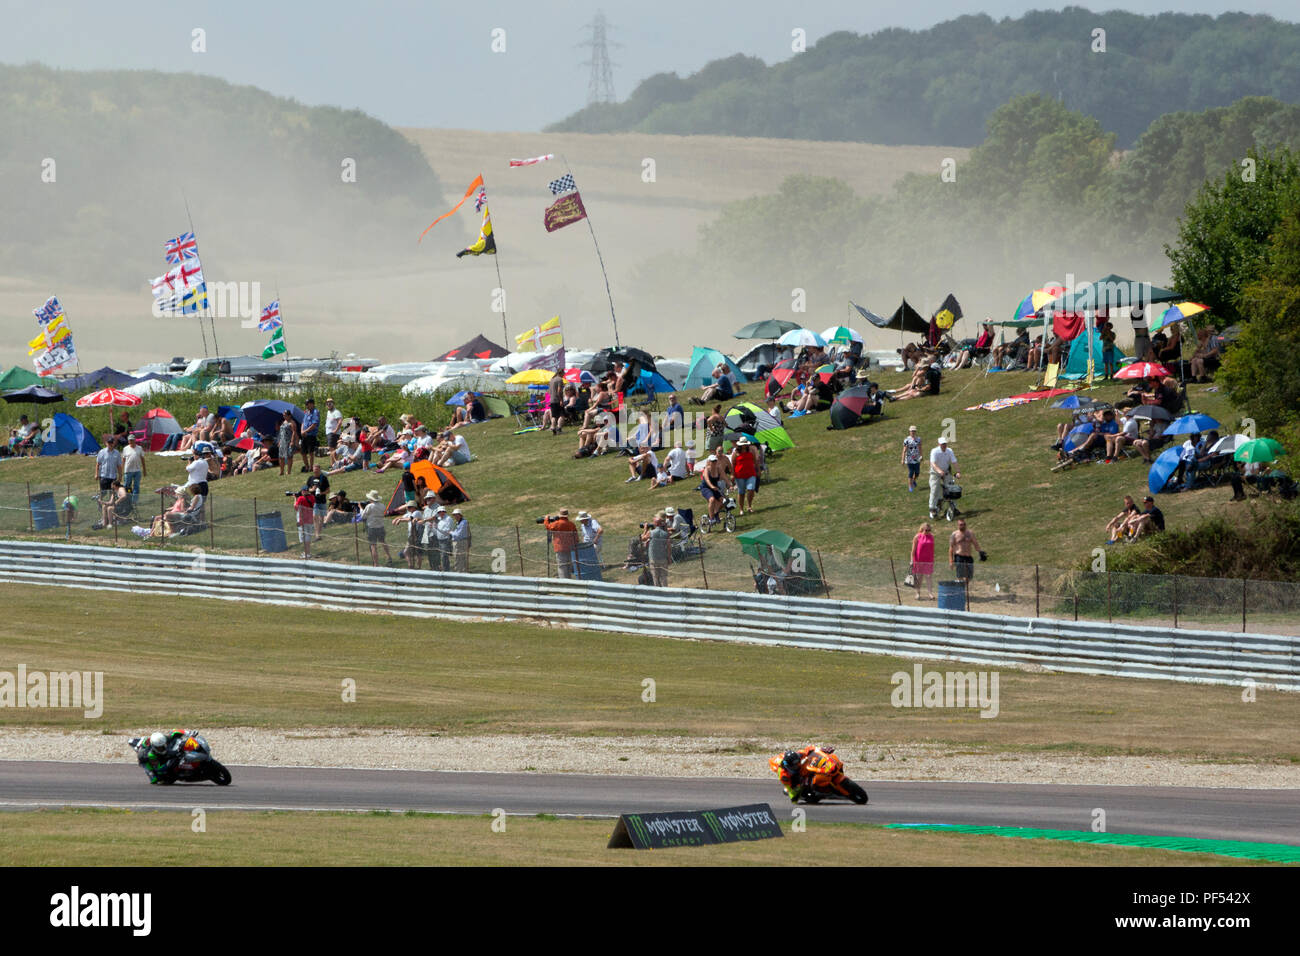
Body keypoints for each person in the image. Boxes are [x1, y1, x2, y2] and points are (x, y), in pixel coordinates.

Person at [93, 436, 122, 529]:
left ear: (114, 443)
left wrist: (120, 476)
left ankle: (111, 516)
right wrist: (96, 474)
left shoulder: (117, 453)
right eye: (108, 443)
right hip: (104, 477)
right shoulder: (102, 452)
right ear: (106, 443)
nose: (110, 444)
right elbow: (98, 464)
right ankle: (102, 515)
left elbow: (119, 466)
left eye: (111, 443)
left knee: (112, 497)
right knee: (102, 496)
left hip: (113, 477)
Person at [928, 435, 959, 522]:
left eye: (945, 444)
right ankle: (932, 509)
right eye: (942, 444)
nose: (944, 446)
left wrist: (958, 472)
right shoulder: (934, 451)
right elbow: (933, 464)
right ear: (939, 444)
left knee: (951, 489)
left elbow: (954, 461)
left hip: (946, 471)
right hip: (935, 473)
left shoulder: (949, 451)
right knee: (934, 489)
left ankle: (954, 508)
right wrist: (939, 471)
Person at [543, 509, 579, 579]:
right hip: (570, 548)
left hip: (560, 548)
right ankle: (569, 580)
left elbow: (548, 527)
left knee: (562, 566)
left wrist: (546, 519)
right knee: (568, 565)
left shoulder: (556, 524)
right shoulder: (571, 524)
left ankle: (563, 582)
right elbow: (576, 536)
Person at [360, 490, 392, 565]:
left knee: (373, 545)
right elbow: (386, 513)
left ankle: (376, 563)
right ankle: (389, 557)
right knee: (383, 542)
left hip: (372, 527)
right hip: (380, 526)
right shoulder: (382, 505)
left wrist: (361, 509)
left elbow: (363, 516)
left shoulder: (369, 506)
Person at [730, 436, 759, 515]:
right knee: (741, 492)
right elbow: (733, 464)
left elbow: (754, 461)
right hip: (740, 475)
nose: (744, 445)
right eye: (743, 444)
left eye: (745, 444)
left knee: (751, 489)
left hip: (750, 473)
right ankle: (741, 508)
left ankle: (749, 506)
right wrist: (732, 474)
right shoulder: (736, 452)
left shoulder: (750, 451)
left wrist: (757, 470)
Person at [949, 518, 982, 586]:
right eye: (961, 525)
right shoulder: (954, 534)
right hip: (959, 556)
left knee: (969, 576)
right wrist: (951, 561)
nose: (963, 526)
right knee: (960, 575)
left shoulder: (970, 533)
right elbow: (951, 548)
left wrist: (980, 552)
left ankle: (964, 588)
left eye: (964, 524)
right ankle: (960, 592)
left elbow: (975, 543)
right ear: (958, 525)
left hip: (968, 557)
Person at [642, 515, 671, 587]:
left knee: (655, 577)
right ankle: (666, 591)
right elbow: (668, 547)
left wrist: (645, 529)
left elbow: (642, 539)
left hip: (653, 558)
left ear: (655, 523)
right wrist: (669, 558)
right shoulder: (665, 534)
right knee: (664, 577)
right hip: (663, 558)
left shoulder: (651, 533)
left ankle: (658, 592)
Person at [698, 454, 727, 524]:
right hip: (706, 488)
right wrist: (711, 486)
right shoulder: (706, 469)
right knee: (712, 499)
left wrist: (730, 485)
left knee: (724, 502)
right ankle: (711, 518)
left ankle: (715, 513)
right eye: (712, 461)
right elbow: (707, 480)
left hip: (715, 488)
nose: (714, 462)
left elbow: (724, 477)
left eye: (715, 461)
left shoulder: (718, 468)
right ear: (709, 462)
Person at [910, 522, 936, 600]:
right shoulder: (917, 536)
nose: (928, 531)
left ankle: (930, 593)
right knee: (919, 577)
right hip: (918, 560)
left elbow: (932, 549)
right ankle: (917, 593)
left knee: (928, 577)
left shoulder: (931, 537)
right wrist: (911, 560)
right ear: (922, 529)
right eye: (926, 530)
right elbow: (913, 550)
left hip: (928, 560)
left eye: (929, 530)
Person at [120, 433, 146, 507]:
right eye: (129, 440)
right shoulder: (125, 449)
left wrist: (144, 470)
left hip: (137, 470)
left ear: (135, 440)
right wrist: (121, 470)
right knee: (127, 486)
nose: (131, 442)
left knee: (136, 486)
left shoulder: (139, 448)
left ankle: (134, 501)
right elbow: (123, 460)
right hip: (128, 470)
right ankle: (126, 499)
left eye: (132, 440)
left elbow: (142, 459)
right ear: (128, 441)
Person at [294, 485, 316, 559]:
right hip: (310, 519)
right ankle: (308, 552)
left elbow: (296, 508)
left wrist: (295, 499)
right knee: (308, 536)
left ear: (303, 491)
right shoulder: (312, 497)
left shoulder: (300, 498)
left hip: (302, 519)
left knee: (303, 537)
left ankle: (306, 553)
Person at [901, 425, 923, 492]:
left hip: (916, 458)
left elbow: (920, 448)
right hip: (909, 459)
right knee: (911, 472)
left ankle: (913, 480)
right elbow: (904, 450)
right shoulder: (907, 440)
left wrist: (921, 456)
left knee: (917, 472)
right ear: (909, 431)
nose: (913, 432)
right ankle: (910, 486)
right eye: (911, 431)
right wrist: (902, 459)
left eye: (914, 431)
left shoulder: (918, 439)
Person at [277, 410, 298, 476]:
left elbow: (294, 432)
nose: (284, 416)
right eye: (283, 415)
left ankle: (288, 471)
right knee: (281, 456)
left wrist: (292, 441)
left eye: (285, 415)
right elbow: (281, 432)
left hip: (288, 441)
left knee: (289, 457)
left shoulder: (292, 423)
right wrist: (280, 441)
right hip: (282, 441)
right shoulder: (284, 422)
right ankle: (281, 471)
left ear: (289, 415)